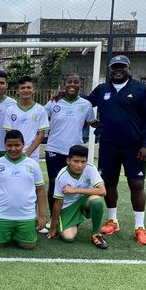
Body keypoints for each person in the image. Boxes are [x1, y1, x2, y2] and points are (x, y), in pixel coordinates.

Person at [87, 55, 146, 245]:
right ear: (110, 69)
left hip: (134, 148)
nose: (118, 70)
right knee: (109, 184)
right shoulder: (102, 89)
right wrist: (65, 94)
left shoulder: (141, 90)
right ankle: (112, 221)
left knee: (137, 184)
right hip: (108, 146)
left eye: (122, 67)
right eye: (114, 67)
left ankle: (139, 227)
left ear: (128, 68)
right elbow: (84, 102)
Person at [0, 130, 47, 249]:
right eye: (9, 145)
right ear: (5, 145)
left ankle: (17, 232)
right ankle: (2, 230)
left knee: (29, 245)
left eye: (17, 145)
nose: (13, 149)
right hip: (1, 214)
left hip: (26, 214)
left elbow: (40, 190)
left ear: (23, 145)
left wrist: (42, 215)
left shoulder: (32, 164)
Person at [44, 74, 95, 216]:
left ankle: (73, 215)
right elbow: (40, 117)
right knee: (54, 183)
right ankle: (53, 217)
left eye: (76, 82)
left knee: (75, 184)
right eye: (69, 82)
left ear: (80, 86)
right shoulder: (53, 103)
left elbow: (93, 122)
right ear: (64, 84)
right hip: (54, 149)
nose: (72, 84)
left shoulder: (86, 104)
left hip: (75, 152)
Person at [47, 145, 108, 249]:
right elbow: (58, 203)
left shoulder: (90, 168)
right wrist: (52, 228)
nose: (80, 165)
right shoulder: (62, 176)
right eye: (76, 161)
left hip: (84, 201)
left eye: (83, 162)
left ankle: (96, 234)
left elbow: (102, 191)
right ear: (68, 161)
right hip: (68, 207)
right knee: (68, 238)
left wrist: (75, 190)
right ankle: (72, 221)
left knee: (97, 201)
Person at [2, 75, 49, 164]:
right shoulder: (10, 110)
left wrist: (28, 152)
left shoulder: (40, 110)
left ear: (33, 90)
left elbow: (41, 135)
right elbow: (9, 134)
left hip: (32, 155)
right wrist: (17, 150)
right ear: (18, 91)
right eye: (23, 88)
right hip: (14, 153)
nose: (26, 90)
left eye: (28, 87)